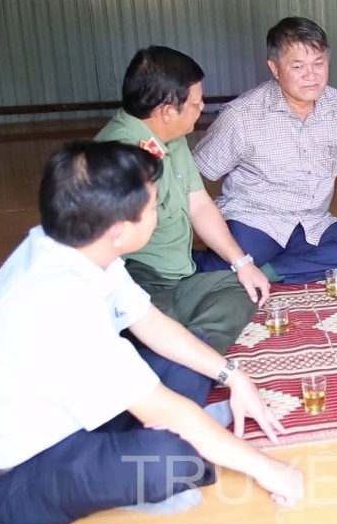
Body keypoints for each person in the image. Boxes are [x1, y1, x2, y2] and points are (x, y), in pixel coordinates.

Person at [0, 142, 303, 524]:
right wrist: (267, 468)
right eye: (153, 208)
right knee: (170, 458)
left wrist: (234, 376)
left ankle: (192, 431)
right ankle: (183, 445)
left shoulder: (76, 244)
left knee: (190, 354)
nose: (159, 213)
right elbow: (161, 408)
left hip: (67, 416)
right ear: (117, 230)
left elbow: (150, 323)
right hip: (15, 477)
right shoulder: (59, 304)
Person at [96, 46, 269, 354]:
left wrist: (242, 263)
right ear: (167, 112)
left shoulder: (171, 138)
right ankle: (179, 351)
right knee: (148, 321)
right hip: (138, 279)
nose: (202, 107)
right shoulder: (117, 157)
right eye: (196, 102)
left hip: (179, 273)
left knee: (242, 287)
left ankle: (188, 348)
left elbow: (199, 204)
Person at [191, 17, 337, 283]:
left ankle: (267, 272)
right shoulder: (242, 115)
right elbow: (193, 175)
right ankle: (262, 267)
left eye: (318, 63)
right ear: (275, 68)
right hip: (255, 220)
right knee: (220, 271)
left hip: (312, 223)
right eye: (298, 66)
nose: (311, 75)